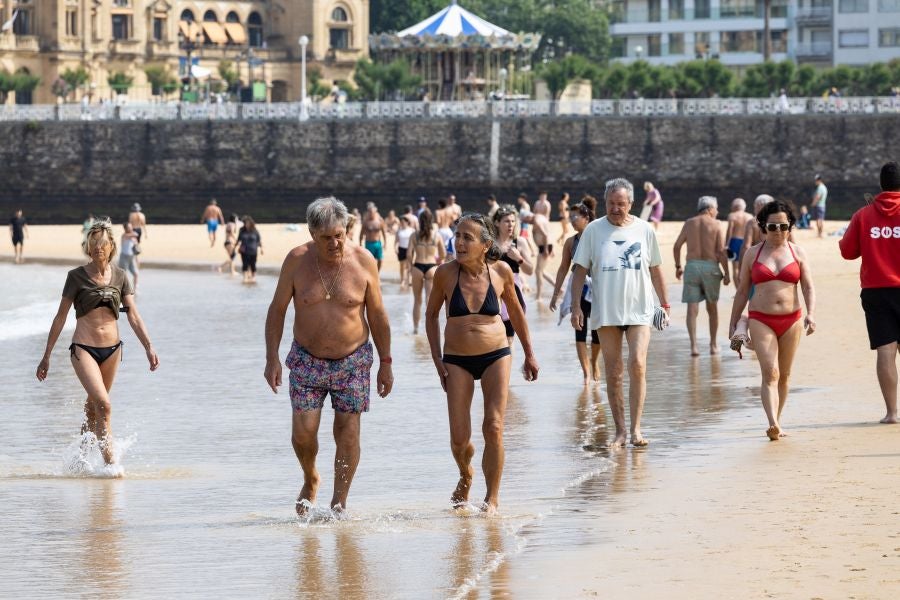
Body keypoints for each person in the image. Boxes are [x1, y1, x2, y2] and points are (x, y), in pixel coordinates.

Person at [264, 197, 393, 516]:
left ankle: (339, 501)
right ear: (311, 233)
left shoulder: (364, 262)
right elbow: (277, 310)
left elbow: (377, 315)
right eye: (326, 237)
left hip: (354, 360)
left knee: (347, 430)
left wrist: (386, 363)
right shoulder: (296, 261)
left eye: (340, 234)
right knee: (303, 432)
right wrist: (272, 358)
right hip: (307, 359)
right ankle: (310, 478)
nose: (334, 243)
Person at [425, 213, 538, 514]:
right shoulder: (445, 274)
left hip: (496, 355)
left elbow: (516, 313)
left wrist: (529, 353)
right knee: (460, 439)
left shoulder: (501, 272)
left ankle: (492, 498)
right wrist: (437, 360)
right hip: (457, 360)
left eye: (467, 238)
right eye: (457, 236)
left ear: (486, 245)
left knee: (494, 426)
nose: (458, 243)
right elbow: (431, 316)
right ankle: (466, 474)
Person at [36, 220, 159, 472]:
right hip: (83, 348)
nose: (97, 248)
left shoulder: (121, 276)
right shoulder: (76, 277)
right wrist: (46, 355)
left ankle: (79, 460)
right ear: (88, 247)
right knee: (104, 405)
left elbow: (133, 314)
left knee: (94, 407)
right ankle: (111, 465)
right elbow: (60, 316)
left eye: (101, 244)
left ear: (111, 246)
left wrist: (148, 346)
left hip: (113, 350)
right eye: (93, 244)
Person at [570, 178, 670, 448]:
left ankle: (636, 429)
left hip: (640, 309)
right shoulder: (593, 230)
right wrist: (576, 306)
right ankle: (620, 431)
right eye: (611, 204)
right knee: (614, 372)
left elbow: (656, 268)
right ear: (605, 203)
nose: (616, 208)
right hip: (606, 312)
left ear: (631, 204)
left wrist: (665, 304)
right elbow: (579, 270)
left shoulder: (644, 230)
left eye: (621, 204)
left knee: (637, 363)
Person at [729, 200, 816, 441]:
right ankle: (772, 422)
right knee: (771, 372)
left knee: (785, 375)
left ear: (791, 227)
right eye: (772, 226)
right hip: (760, 319)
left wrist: (811, 313)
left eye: (783, 226)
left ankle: (778, 420)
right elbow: (742, 291)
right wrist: (734, 321)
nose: (778, 231)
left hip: (792, 320)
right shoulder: (752, 254)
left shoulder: (798, 253)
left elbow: (808, 287)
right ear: (763, 227)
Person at [839, 161, 900, 424]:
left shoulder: (863, 215)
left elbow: (847, 251)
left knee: (885, 352)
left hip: (876, 290)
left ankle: (892, 413)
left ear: (880, 185)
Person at [550, 197, 601, 385]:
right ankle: (586, 372)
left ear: (586, 218)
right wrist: (556, 294)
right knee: (579, 329)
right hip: (578, 288)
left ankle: (594, 362)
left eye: (575, 217)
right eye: (570, 217)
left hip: (596, 289)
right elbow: (563, 268)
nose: (571, 220)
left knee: (597, 331)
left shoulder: (597, 236)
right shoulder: (571, 242)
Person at [673, 196, 730, 356]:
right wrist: (726, 273)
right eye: (716, 209)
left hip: (691, 267)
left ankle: (694, 347)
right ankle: (713, 345)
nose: (717, 212)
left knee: (692, 309)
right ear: (710, 209)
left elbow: (677, 246)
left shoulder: (689, 223)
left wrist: (678, 266)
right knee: (712, 309)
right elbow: (720, 252)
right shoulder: (717, 224)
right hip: (710, 267)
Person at [492, 205, 533, 346]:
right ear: (497, 222)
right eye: (506, 221)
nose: (511, 225)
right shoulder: (490, 244)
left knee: (509, 339)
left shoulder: (519, 242)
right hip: (494, 292)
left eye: (513, 221)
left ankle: (506, 368)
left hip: (513, 292)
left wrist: (519, 258)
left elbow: (530, 270)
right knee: (494, 338)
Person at [408, 208, 446, 334]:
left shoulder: (414, 235)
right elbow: (443, 254)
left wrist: (410, 267)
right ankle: (429, 329)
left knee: (417, 300)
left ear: (420, 220)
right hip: (431, 267)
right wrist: (438, 261)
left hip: (417, 266)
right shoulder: (437, 235)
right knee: (429, 300)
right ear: (431, 221)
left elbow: (409, 254)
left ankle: (415, 329)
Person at [530, 192, 556, 302]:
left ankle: (539, 297)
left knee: (538, 272)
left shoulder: (540, 217)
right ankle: (559, 289)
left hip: (545, 247)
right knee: (541, 271)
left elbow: (546, 234)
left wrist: (547, 249)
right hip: (545, 246)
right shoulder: (536, 205)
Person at [725, 198, 754, 285]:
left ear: (734, 206)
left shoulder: (732, 215)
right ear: (744, 207)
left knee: (736, 268)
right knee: (747, 267)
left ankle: (738, 291)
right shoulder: (750, 216)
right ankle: (745, 290)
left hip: (734, 242)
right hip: (747, 241)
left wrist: (726, 245)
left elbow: (729, 231)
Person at [359, 202, 387, 271]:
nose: (371, 213)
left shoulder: (380, 220)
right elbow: (361, 233)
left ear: (375, 212)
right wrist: (360, 243)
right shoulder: (366, 221)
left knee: (380, 259)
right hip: (369, 243)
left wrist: (385, 243)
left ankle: (377, 273)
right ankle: (370, 273)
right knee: (369, 260)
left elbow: (383, 233)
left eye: (372, 212)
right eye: (369, 212)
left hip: (377, 243)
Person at [235, 216, 263, 284]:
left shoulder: (255, 231)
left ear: (251, 223)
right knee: (245, 264)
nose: (246, 225)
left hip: (253, 250)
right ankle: (245, 278)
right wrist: (235, 247)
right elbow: (238, 239)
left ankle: (253, 277)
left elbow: (259, 240)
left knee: (253, 264)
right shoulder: (241, 230)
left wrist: (262, 249)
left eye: (247, 223)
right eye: (245, 223)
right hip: (244, 250)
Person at [118, 223, 140, 291]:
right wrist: (134, 233)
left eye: (131, 227)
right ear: (125, 229)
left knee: (136, 273)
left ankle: (135, 289)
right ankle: (123, 289)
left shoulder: (133, 237)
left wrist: (137, 259)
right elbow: (136, 234)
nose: (131, 228)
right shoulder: (124, 235)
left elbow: (135, 248)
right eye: (129, 227)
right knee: (123, 274)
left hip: (132, 257)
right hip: (124, 257)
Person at [395, 214, 415, 289]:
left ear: (407, 222)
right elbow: (396, 241)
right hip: (401, 249)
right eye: (401, 222)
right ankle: (402, 280)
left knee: (409, 265)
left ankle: (409, 280)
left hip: (409, 249)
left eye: (404, 222)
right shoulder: (399, 231)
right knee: (402, 266)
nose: (402, 223)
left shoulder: (412, 230)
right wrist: (395, 248)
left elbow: (414, 241)